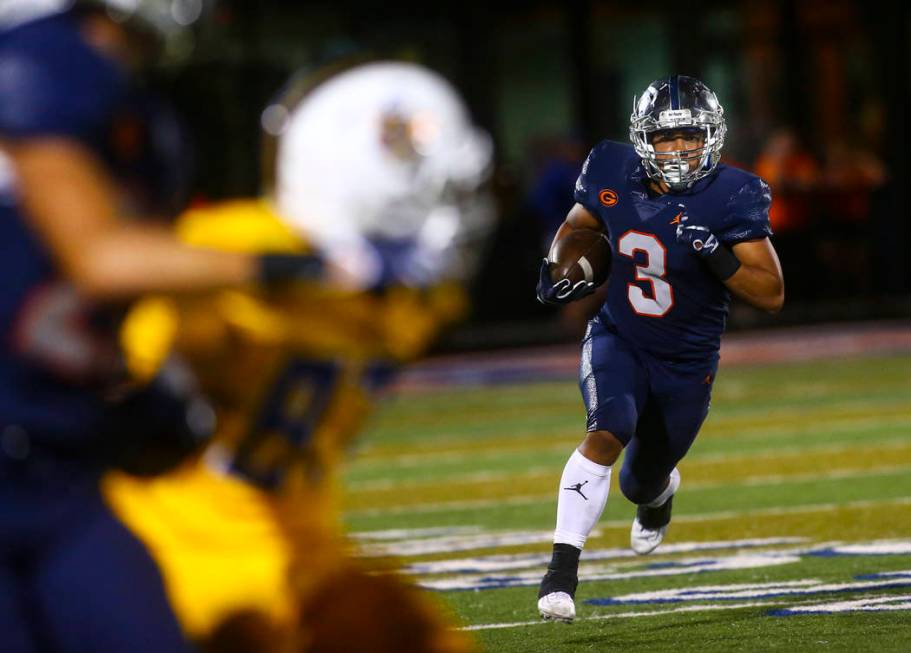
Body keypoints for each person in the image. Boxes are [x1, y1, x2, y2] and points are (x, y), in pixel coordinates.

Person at [107, 60, 492, 651]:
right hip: (186, 566)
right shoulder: (235, 263)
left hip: (303, 553)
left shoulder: (412, 291)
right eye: (438, 189)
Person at [0, 3, 330, 651]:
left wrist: (145, 400)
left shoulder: (143, 118)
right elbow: (98, 259)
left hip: (58, 469)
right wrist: (286, 263)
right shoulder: (44, 62)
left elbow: (100, 307)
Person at [534, 75, 784, 623]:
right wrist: (561, 266)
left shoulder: (734, 193)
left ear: (711, 136)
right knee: (606, 428)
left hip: (687, 361)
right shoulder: (610, 168)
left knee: (639, 480)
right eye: (667, 138)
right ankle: (561, 572)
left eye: (690, 136)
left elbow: (770, 293)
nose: (680, 149)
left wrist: (717, 255)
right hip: (619, 336)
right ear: (644, 139)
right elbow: (579, 226)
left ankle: (658, 493)